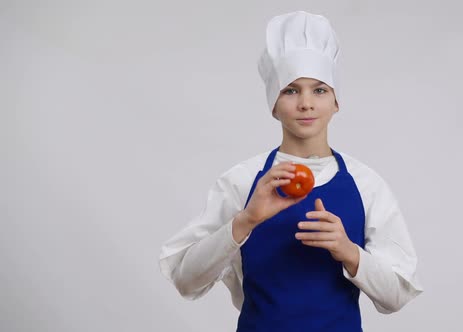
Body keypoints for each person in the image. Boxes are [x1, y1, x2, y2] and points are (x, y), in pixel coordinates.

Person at [159, 10, 423, 332]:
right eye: (291, 90)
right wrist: (246, 221)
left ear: (336, 101)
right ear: (273, 102)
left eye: (320, 90)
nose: (306, 103)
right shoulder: (243, 182)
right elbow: (186, 280)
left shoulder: (366, 185)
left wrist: (349, 251)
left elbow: (396, 296)